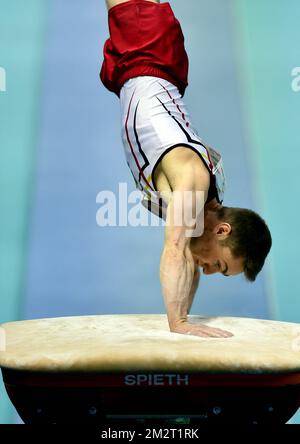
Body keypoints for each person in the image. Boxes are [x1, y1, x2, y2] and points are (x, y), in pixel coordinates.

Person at [100, 0, 272, 338]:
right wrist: (178, 324)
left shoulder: (200, 208)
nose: (208, 272)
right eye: (220, 267)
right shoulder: (194, 183)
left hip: (151, 68)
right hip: (147, 50)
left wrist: (186, 316)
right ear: (222, 231)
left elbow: (190, 260)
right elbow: (176, 250)